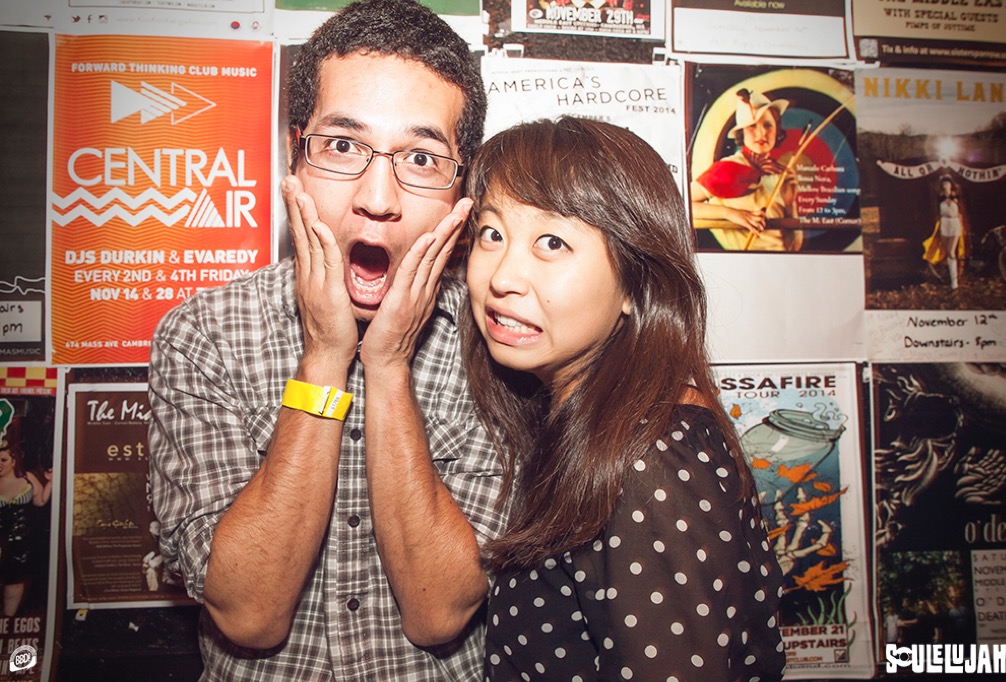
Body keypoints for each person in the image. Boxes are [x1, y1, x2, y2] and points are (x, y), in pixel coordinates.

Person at [147, 1, 505, 679]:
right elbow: (248, 615)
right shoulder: (204, 335)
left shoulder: (498, 345)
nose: (378, 198)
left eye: (421, 158)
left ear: (463, 188)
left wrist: (388, 367)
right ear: (295, 154)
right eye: (342, 146)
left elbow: (438, 613)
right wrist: (324, 358)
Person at [459, 117, 786, 679]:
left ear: (637, 284)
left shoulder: (649, 458)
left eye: (552, 243)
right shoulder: (591, 419)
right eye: (492, 234)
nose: (503, 276)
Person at [690, 88, 803, 251]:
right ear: (741, 132)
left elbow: (795, 246)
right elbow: (683, 205)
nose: (761, 133)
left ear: (777, 131)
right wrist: (732, 214)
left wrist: (791, 205)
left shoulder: (780, 173)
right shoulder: (727, 168)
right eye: (752, 126)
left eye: (768, 125)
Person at [0, 417, 51, 617]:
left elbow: (40, 501)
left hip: (23, 545)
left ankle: (8, 621)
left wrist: (52, 481)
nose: (0, 465)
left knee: (14, 583)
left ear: (13, 461)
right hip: (1, 543)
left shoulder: (27, 479)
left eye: (4, 460)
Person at [922, 174, 969, 289]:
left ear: (951, 185)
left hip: (954, 223)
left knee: (952, 251)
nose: (946, 186)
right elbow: (936, 212)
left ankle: (955, 281)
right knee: (948, 252)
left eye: (948, 183)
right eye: (944, 184)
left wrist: (963, 226)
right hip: (944, 223)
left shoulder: (956, 196)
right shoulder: (939, 197)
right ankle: (951, 277)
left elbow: (961, 212)